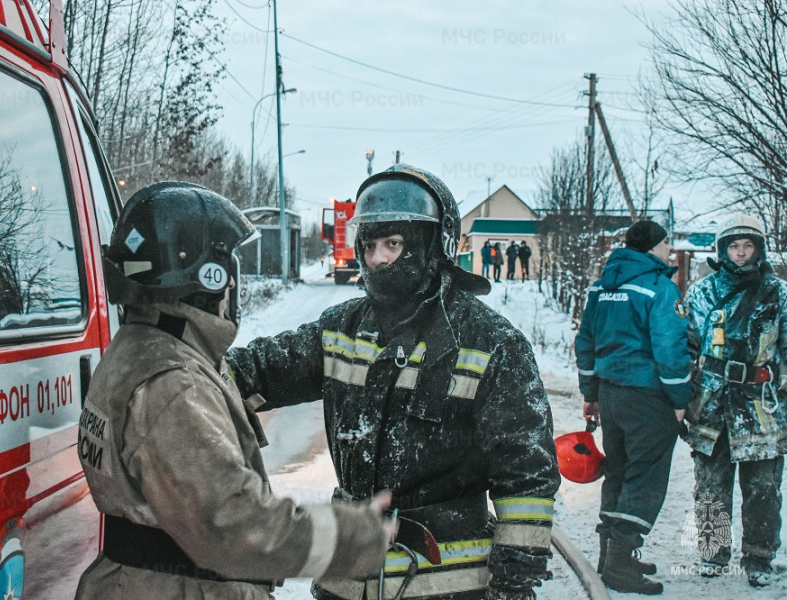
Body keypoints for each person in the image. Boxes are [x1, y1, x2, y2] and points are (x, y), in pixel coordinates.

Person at [228, 164, 561, 600]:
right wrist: (176, 371)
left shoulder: (492, 345)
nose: (378, 258)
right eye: (369, 245)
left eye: (394, 243)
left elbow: (527, 478)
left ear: (432, 246)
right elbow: (256, 369)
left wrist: (514, 583)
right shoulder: (343, 329)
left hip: (449, 588)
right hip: (348, 583)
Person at [75, 182, 392, 600]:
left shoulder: (138, 350)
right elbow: (235, 525)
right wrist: (355, 537)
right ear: (208, 277)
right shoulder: (173, 384)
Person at [575, 220, 691, 595]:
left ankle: (609, 556)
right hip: (647, 397)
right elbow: (671, 350)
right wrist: (679, 401)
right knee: (646, 478)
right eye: (666, 243)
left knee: (619, 472)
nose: (669, 249)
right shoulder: (658, 288)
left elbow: (586, 341)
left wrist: (590, 393)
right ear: (652, 247)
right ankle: (621, 567)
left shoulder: (601, 286)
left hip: (610, 395)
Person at [683, 214, 787, 588]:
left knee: (763, 489)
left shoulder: (779, 293)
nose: (741, 254)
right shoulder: (701, 292)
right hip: (710, 403)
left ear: (759, 249)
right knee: (710, 486)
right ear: (722, 250)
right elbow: (686, 346)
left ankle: (759, 556)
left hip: (761, 406)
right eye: (733, 246)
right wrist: (680, 399)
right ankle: (713, 552)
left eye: (748, 246)